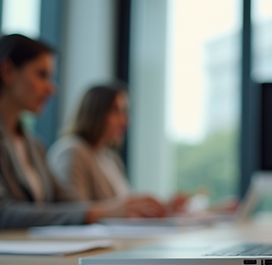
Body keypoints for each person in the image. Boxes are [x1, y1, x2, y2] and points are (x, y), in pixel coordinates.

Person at [0, 34, 168, 233]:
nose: (52, 88)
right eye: (42, 75)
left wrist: (128, 208)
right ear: (8, 71)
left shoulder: (33, 144)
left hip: (16, 255)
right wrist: (101, 211)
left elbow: (69, 203)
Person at [48, 82, 186, 211]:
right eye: (116, 111)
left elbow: (125, 208)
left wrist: (162, 209)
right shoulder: (73, 151)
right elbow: (76, 211)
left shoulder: (111, 158)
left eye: (125, 111)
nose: (124, 120)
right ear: (95, 112)